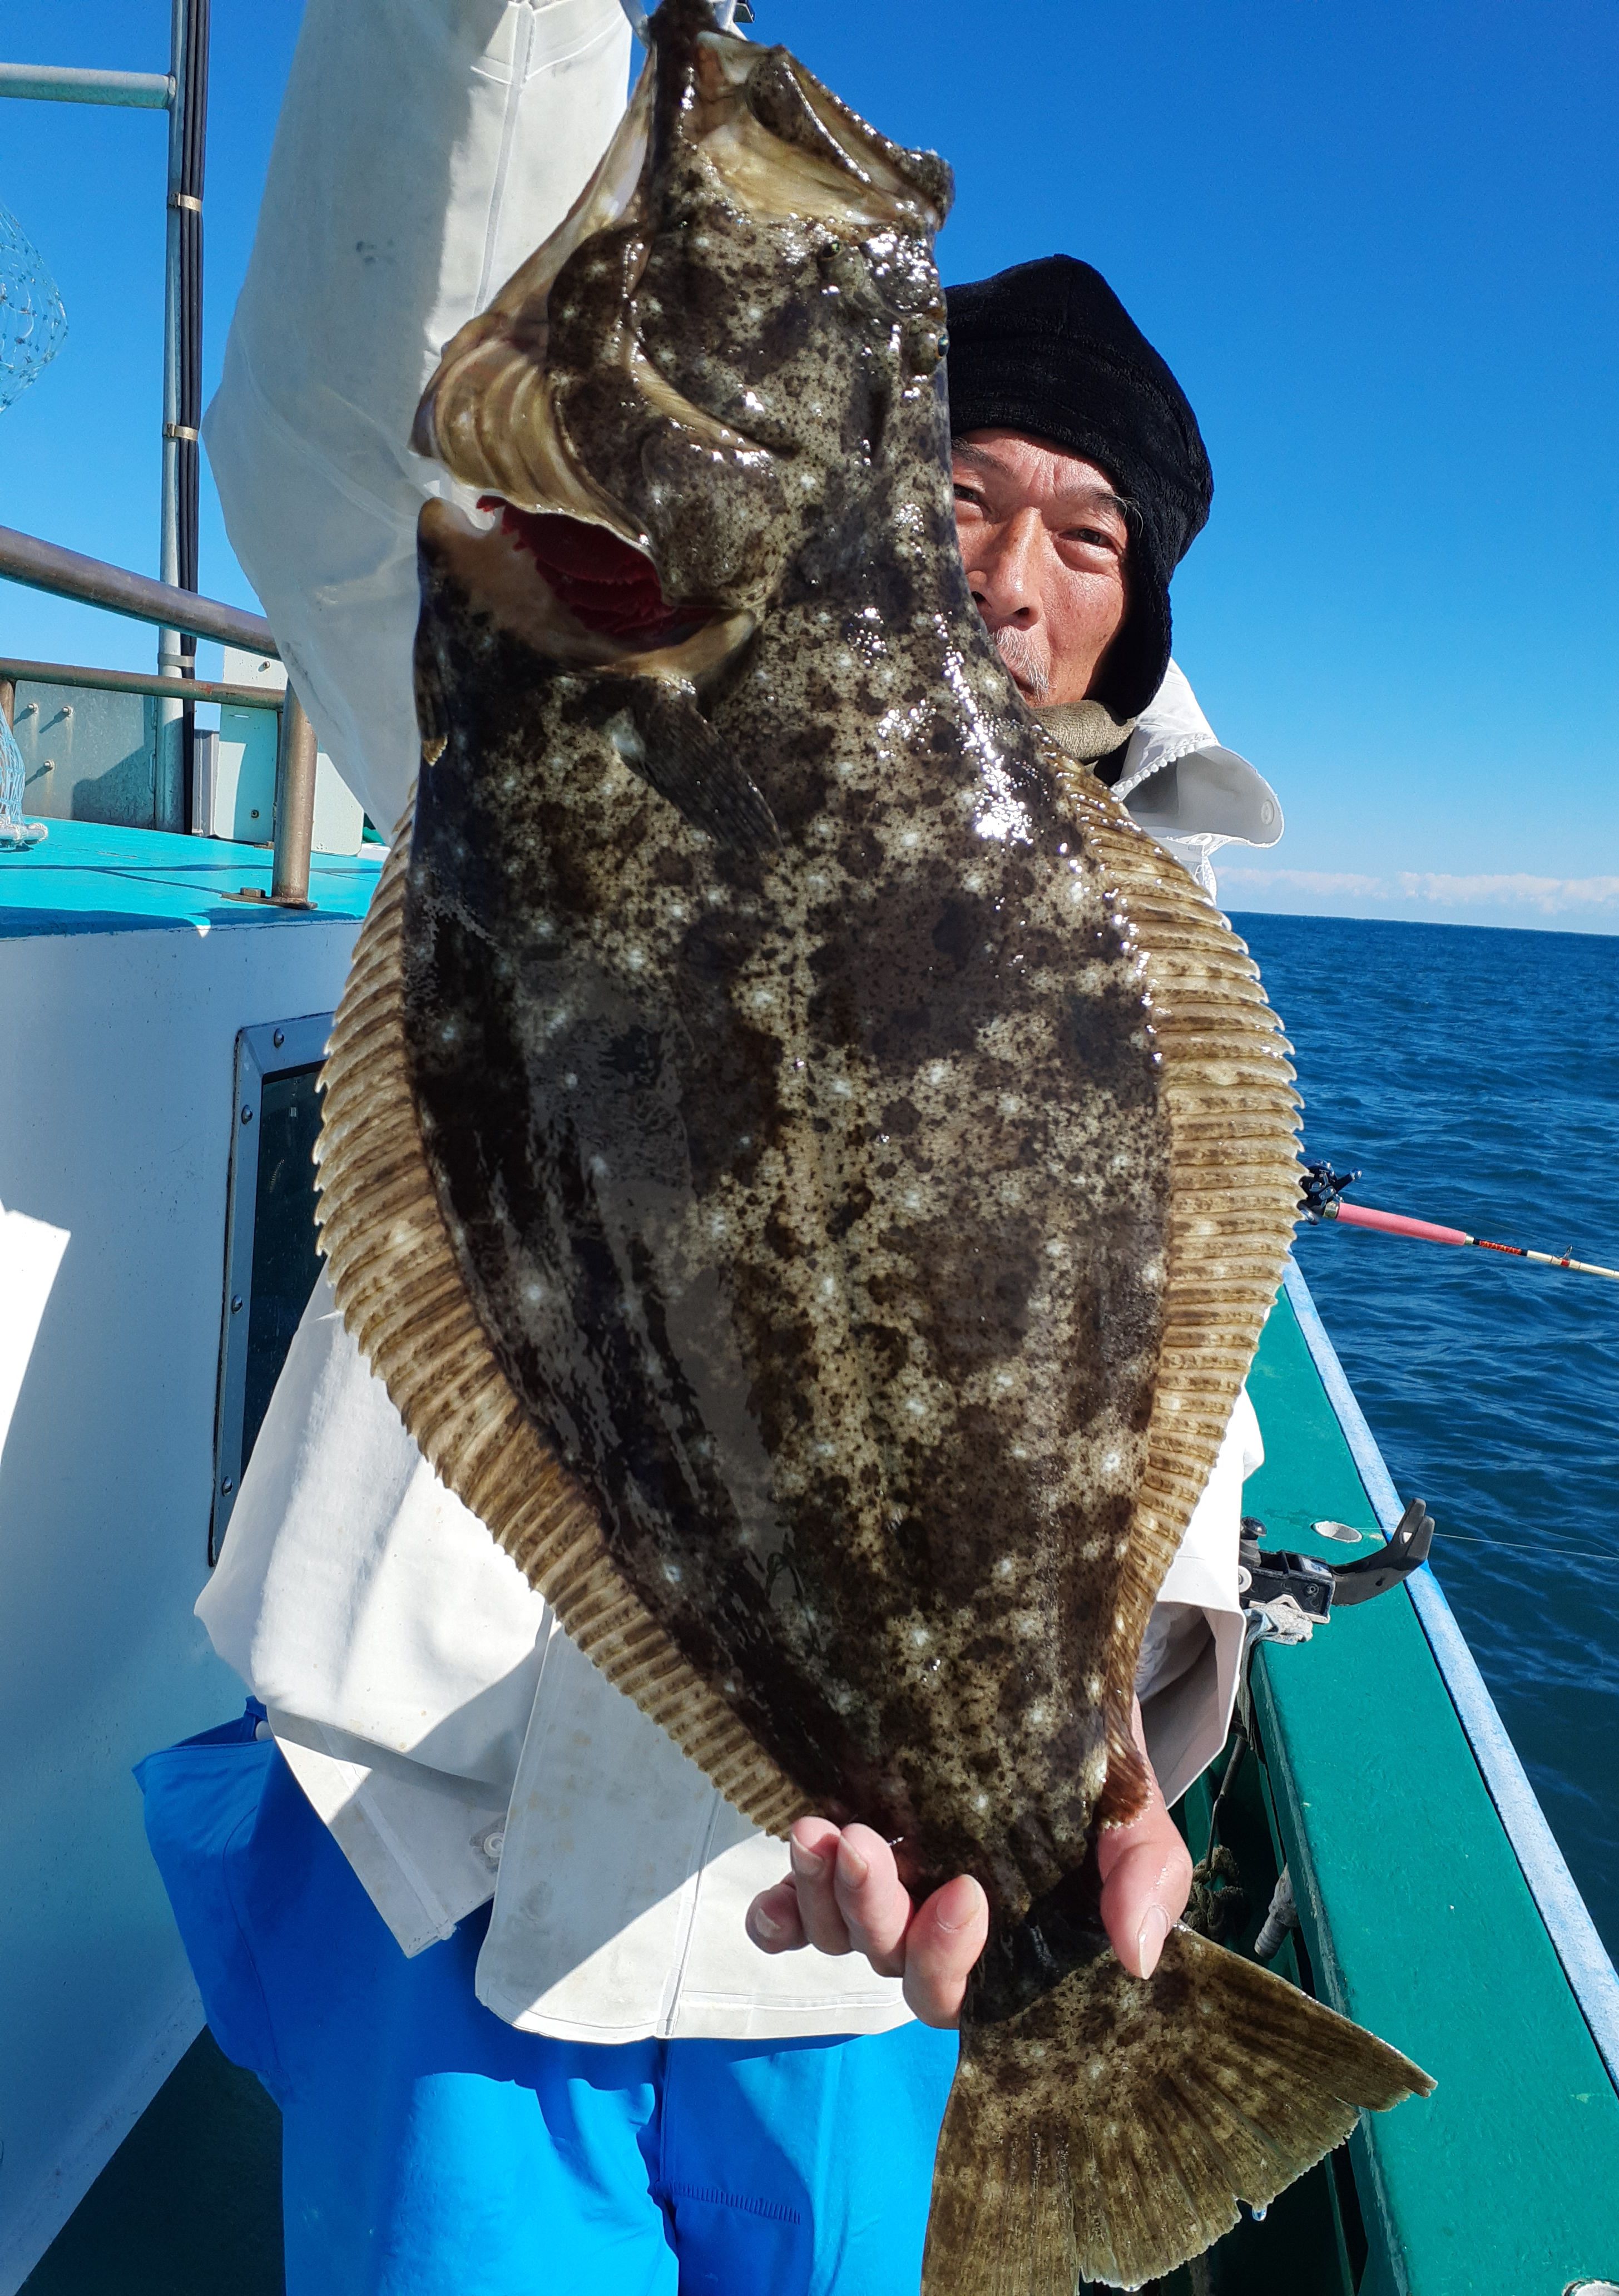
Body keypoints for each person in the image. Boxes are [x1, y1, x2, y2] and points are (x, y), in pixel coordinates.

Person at [142, 9, 1282, 2290]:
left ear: (1134, 622)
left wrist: (1108, 1778)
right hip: (443, 1861)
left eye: (1087, 539)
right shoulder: (554, 697)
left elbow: (1143, 1410)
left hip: (851, 1967)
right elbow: (343, 414)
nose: (1014, 572)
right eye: (959, 492)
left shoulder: (1127, 958)